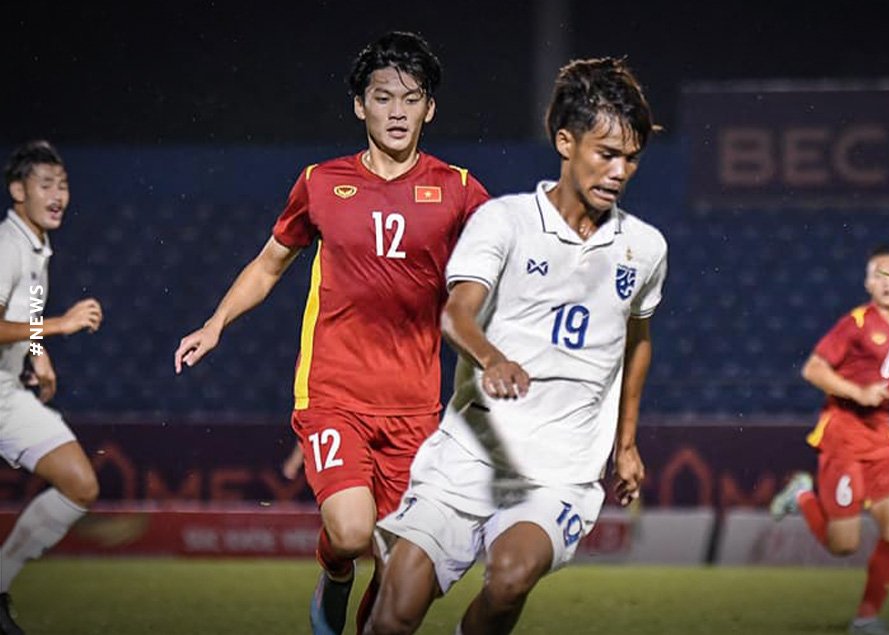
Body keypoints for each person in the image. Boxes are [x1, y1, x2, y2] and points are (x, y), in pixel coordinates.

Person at [173, 32, 489, 635]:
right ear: (359, 105)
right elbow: (270, 264)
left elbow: (508, 257)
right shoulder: (321, 182)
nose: (396, 112)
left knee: (400, 573)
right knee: (349, 533)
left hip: (415, 407)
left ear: (430, 109)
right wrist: (216, 323)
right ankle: (334, 570)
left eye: (411, 99)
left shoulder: (459, 189)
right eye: (382, 97)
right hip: (333, 394)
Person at [365, 57, 665, 635]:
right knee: (393, 618)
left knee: (509, 578)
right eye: (606, 153)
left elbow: (637, 342)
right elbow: (455, 314)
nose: (619, 171)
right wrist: (492, 358)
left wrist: (626, 444)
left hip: (561, 471)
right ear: (565, 142)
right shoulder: (504, 221)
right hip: (468, 454)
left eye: (631, 159)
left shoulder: (645, 248)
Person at [771, 245, 889, 635]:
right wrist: (858, 392)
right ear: (868, 284)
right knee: (843, 545)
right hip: (843, 437)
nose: (886, 281)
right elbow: (813, 369)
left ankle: (866, 617)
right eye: (878, 274)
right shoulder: (855, 324)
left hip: (881, 441)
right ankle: (802, 495)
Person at [0, 140, 103, 635]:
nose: (58, 194)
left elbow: (26, 316)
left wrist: (38, 353)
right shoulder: (8, 245)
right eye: (46, 184)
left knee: (80, 484)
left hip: (5, 392)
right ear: (18, 191)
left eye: (63, 185)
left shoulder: (37, 246)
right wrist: (59, 327)